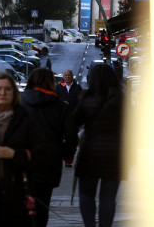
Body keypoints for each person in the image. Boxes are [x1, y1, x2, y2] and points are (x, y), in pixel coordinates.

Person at [0, 71, 46, 227]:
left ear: (14, 93)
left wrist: (15, 154)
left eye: (8, 89)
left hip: (16, 192)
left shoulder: (24, 119)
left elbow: (41, 152)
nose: (2, 93)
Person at [22, 67, 76, 227]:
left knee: (22, 203)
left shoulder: (20, 102)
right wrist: (67, 155)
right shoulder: (60, 106)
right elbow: (72, 134)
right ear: (51, 83)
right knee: (43, 204)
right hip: (50, 160)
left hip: (24, 158)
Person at [74, 63, 124, 227]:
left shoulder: (87, 98)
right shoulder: (121, 99)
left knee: (86, 195)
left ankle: (89, 224)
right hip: (115, 155)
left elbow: (73, 123)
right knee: (108, 198)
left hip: (90, 153)